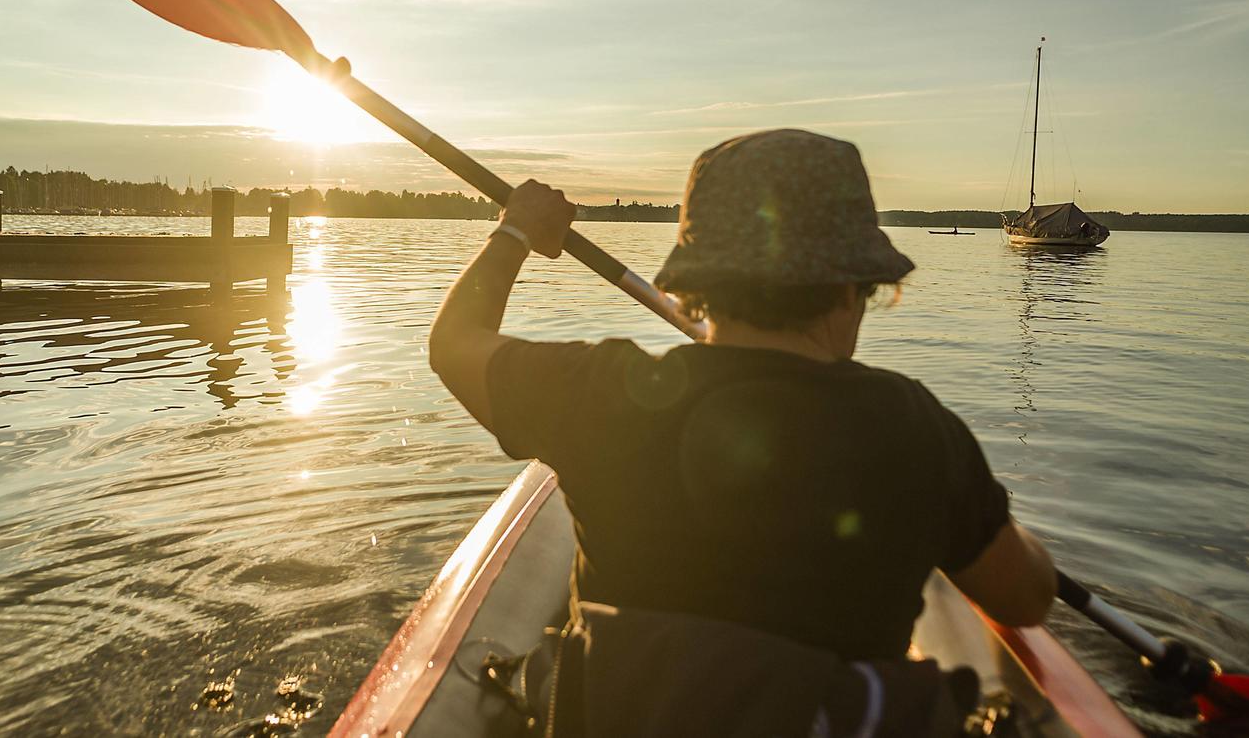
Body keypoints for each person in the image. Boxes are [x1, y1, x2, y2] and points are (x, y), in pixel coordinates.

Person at [428, 129, 1055, 668]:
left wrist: (513, 231)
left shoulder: (600, 393)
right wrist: (973, 507)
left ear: (700, 284)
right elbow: (1027, 599)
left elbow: (453, 344)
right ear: (855, 286)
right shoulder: (917, 431)